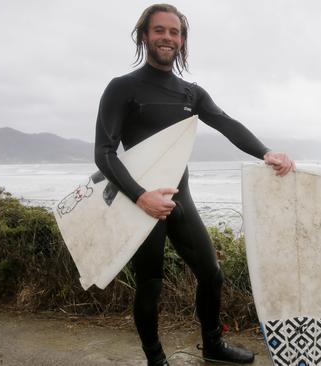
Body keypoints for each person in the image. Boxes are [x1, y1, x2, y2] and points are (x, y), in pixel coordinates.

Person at [93, 4, 295, 366]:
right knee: (150, 284)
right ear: (145, 36)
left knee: (211, 274)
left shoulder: (191, 93)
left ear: (182, 41)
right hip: (140, 202)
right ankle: (156, 359)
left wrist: (266, 153)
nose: (167, 38)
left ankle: (213, 345)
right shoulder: (122, 89)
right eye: (159, 31)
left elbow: (226, 122)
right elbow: (104, 153)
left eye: (174, 32)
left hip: (179, 197)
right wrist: (141, 197)